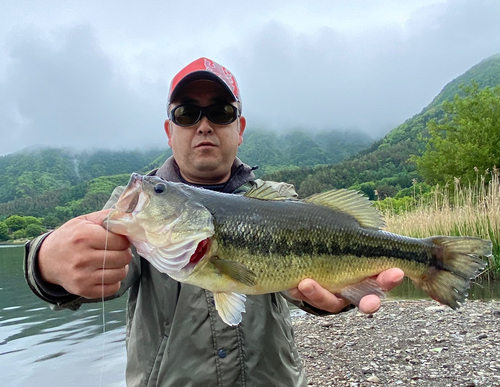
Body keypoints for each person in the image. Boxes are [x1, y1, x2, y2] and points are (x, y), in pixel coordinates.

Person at [24, 57, 404, 386]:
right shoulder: (139, 209)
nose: (204, 125)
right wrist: (45, 263)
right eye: (187, 113)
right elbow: (98, 270)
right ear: (169, 131)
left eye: (220, 112)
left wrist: (333, 298)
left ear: (239, 129)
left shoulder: (282, 199)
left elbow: (304, 286)